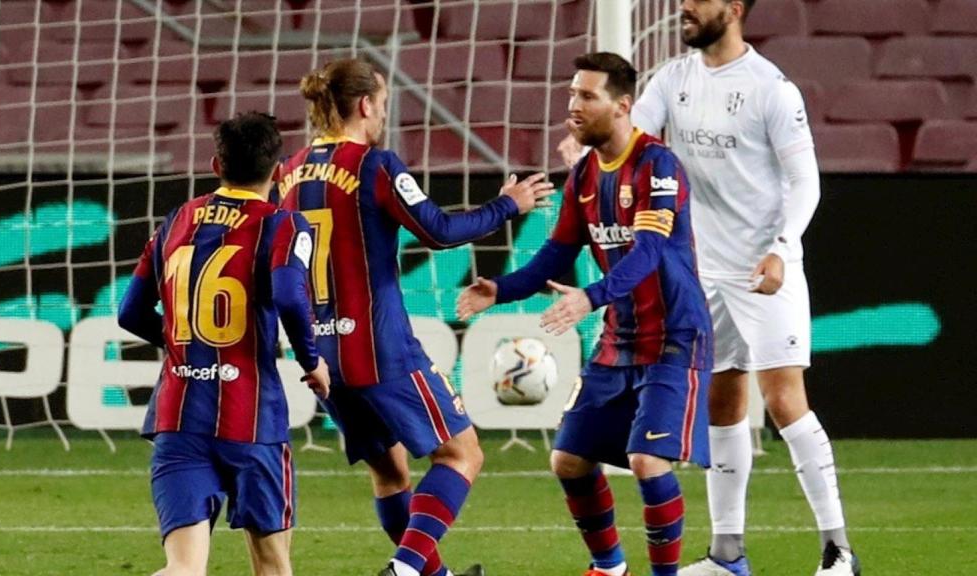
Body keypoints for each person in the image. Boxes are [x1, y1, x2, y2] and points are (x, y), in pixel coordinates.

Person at [559, 2, 860, 575]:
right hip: (701, 274)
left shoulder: (772, 88)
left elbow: (805, 182)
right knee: (724, 407)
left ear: (735, 9)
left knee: (784, 399)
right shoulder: (673, 78)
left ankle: (838, 550)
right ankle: (727, 553)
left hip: (763, 269)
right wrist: (587, 150)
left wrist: (782, 246)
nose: (685, 6)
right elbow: (630, 135)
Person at [275, 57, 555, 576]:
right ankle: (404, 570)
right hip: (380, 346)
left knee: (389, 468)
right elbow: (439, 232)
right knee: (462, 454)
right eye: (381, 103)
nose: (382, 114)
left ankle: (432, 575)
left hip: (322, 353)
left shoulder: (287, 173)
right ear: (364, 105)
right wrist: (508, 205)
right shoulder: (375, 165)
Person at [458, 52, 712, 576]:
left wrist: (590, 297)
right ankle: (609, 568)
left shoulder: (656, 165)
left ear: (622, 106)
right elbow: (554, 257)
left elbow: (648, 252)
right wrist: (498, 289)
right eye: (572, 94)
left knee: (647, 461)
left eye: (587, 96)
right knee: (568, 460)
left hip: (674, 337)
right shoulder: (585, 177)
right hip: (619, 340)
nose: (573, 106)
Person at [118, 111, 330, 576]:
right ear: (278, 172)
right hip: (251, 421)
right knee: (273, 565)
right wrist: (312, 360)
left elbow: (129, 313)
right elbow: (292, 298)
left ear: (217, 165)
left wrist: (183, 345)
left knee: (183, 569)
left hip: (179, 417)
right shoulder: (284, 225)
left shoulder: (176, 220)